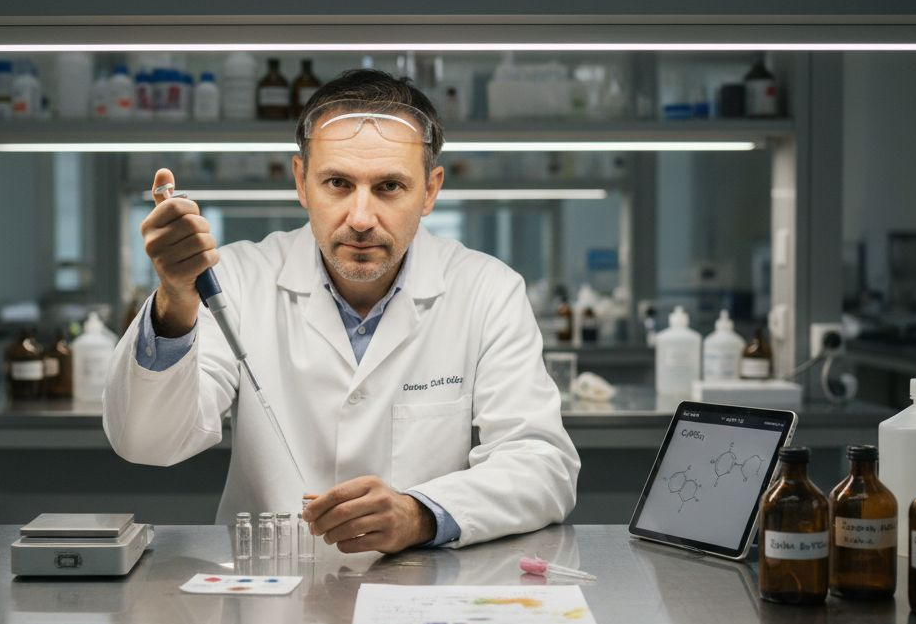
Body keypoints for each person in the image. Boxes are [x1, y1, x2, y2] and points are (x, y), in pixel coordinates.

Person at [103, 69, 579, 553]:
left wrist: (419, 514)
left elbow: (540, 464)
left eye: (390, 186)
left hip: (424, 594)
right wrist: (176, 297)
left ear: (431, 191)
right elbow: (148, 442)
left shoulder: (487, 290)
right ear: (302, 182)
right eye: (337, 183)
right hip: (273, 594)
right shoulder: (237, 279)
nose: (361, 218)